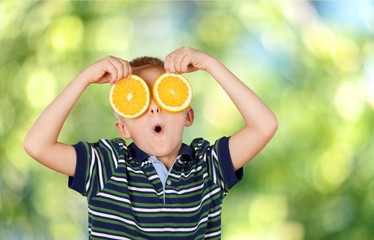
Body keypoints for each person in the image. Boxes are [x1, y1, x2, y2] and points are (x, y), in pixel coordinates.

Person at [24, 46, 278, 239]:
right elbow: (37, 145)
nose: (154, 108)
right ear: (124, 128)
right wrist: (84, 78)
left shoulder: (208, 167)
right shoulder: (106, 164)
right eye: (140, 101)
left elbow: (264, 126)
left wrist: (210, 64)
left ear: (187, 115)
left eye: (164, 96)